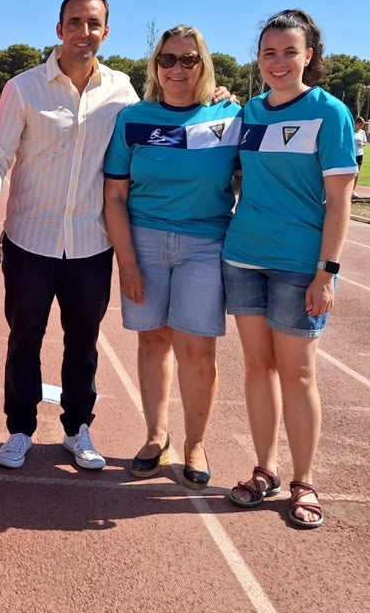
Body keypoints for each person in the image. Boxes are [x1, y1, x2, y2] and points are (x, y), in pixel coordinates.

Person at [0, 0, 139, 471]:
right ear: (59, 30)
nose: (84, 32)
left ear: (106, 31)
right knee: (25, 340)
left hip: (91, 243)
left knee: (83, 344)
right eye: (75, 23)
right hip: (30, 242)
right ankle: (19, 429)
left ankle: (78, 429)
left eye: (93, 23)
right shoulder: (23, 87)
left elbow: (148, 144)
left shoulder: (123, 92)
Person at [222, 9, 357, 529]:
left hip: (300, 265)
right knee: (256, 368)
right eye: (269, 52)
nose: (278, 62)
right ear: (259, 59)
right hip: (243, 257)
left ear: (310, 57)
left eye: (289, 52)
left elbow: (341, 202)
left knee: (298, 374)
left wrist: (328, 271)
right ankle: (265, 469)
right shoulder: (248, 113)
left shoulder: (330, 114)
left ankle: (304, 481)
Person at [102, 26, 240, 488]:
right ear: (154, 66)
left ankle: (195, 443)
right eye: (167, 60)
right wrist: (128, 262)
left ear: (204, 65)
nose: (176, 69)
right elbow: (115, 195)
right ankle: (155, 435)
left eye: (188, 60)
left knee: (198, 348)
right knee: (152, 340)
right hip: (144, 241)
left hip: (205, 244)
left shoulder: (231, 115)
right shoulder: (133, 119)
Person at [352, 117, 368, 199]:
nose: (361, 126)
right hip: (351, 154)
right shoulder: (351, 131)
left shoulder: (362, 132)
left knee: (356, 172)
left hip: (359, 154)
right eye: (360, 124)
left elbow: (365, 142)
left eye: (362, 125)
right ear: (356, 124)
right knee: (350, 173)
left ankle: (353, 190)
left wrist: (362, 144)